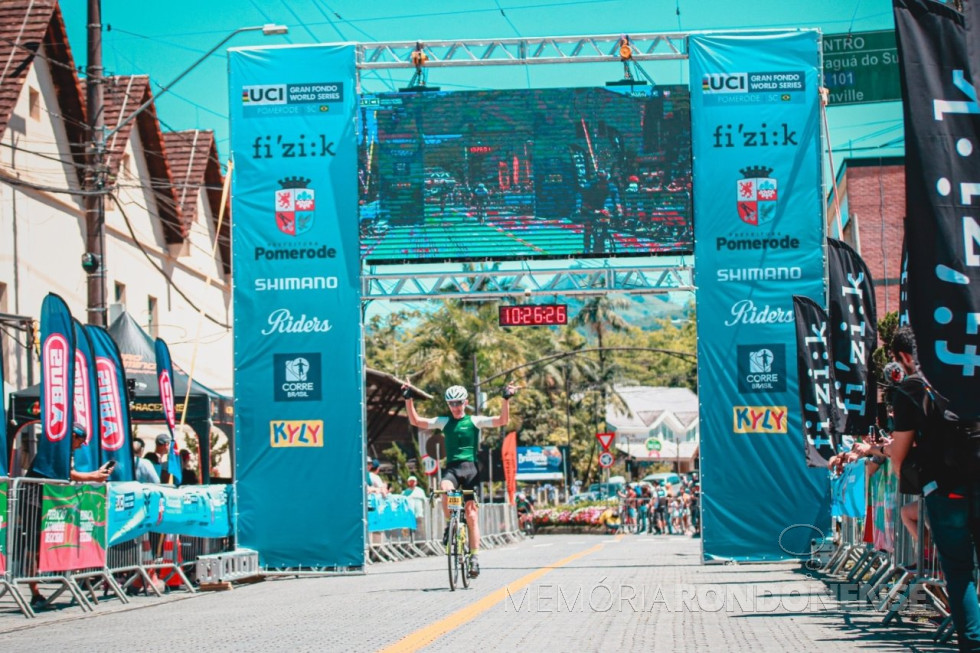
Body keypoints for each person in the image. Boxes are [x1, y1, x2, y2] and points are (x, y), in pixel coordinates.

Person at [873, 325, 980, 650]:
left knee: (959, 570)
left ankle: (974, 643)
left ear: (905, 357)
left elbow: (900, 453)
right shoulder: (969, 372)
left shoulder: (911, 388)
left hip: (945, 486)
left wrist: (895, 460)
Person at [403, 382, 517, 578]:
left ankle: (474, 557)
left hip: (471, 470)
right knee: (445, 488)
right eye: (451, 403)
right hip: (453, 469)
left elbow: (502, 420)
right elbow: (416, 421)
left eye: (458, 403)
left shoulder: (475, 421)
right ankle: (450, 524)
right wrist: (408, 398)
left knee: (472, 516)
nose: (455, 407)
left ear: (466, 402)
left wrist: (505, 399)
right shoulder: (444, 421)